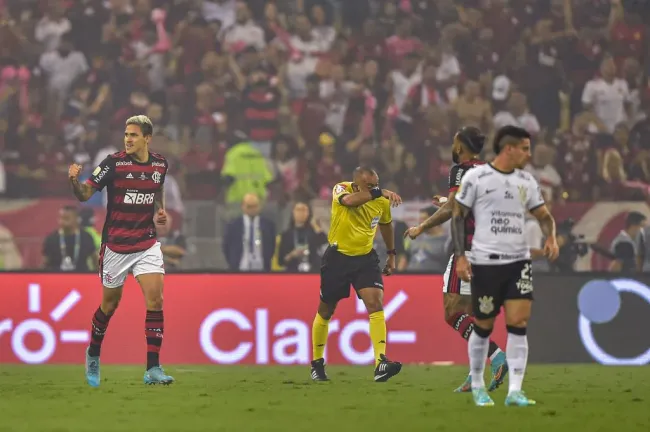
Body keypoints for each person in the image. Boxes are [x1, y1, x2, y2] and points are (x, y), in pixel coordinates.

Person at [451, 125, 559, 407]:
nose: (529, 153)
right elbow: (457, 217)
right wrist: (461, 256)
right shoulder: (477, 177)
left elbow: (545, 216)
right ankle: (478, 385)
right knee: (483, 326)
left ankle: (515, 391)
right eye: (525, 148)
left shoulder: (527, 181)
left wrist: (552, 238)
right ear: (509, 149)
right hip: (486, 262)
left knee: (519, 324)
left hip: (518, 262)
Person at [68, 115, 173, 387]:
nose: (128, 139)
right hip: (116, 244)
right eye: (126, 134)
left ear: (147, 138)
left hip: (147, 242)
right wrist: (74, 181)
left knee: (156, 299)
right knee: (109, 305)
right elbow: (84, 195)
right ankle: (93, 352)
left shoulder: (160, 164)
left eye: (134, 135)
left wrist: (160, 209)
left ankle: (153, 368)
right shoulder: (113, 164)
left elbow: (157, 188)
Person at [404, 127, 507, 392]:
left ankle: (497, 357)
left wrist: (420, 228)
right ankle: (475, 377)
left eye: (454, 142)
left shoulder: (460, 170)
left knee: (453, 313)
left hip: (469, 249)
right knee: (471, 314)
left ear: (460, 146)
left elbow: (454, 209)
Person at [311, 167, 403, 382]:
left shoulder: (379, 201)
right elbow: (349, 202)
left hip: (365, 258)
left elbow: (386, 225)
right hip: (337, 257)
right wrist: (379, 193)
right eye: (369, 186)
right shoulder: (341, 189)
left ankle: (381, 362)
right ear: (356, 184)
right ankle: (316, 363)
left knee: (375, 303)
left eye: (376, 185)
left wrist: (391, 254)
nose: (375, 189)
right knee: (326, 310)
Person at [42, 205, 97, 272]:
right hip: (57, 278)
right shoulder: (51, 238)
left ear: (76, 219)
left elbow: (95, 261)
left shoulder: (86, 237)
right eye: (61, 218)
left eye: (66, 218)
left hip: (81, 278)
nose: (62, 221)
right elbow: (45, 263)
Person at [277, 201, 327, 272]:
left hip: (312, 272)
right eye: (298, 210)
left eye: (304, 210)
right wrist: (292, 254)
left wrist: (315, 225)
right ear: (293, 212)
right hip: (292, 273)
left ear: (309, 213)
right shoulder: (286, 235)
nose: (301, 213)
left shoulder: (313, 232)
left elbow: (325, 246)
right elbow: (280, 262)